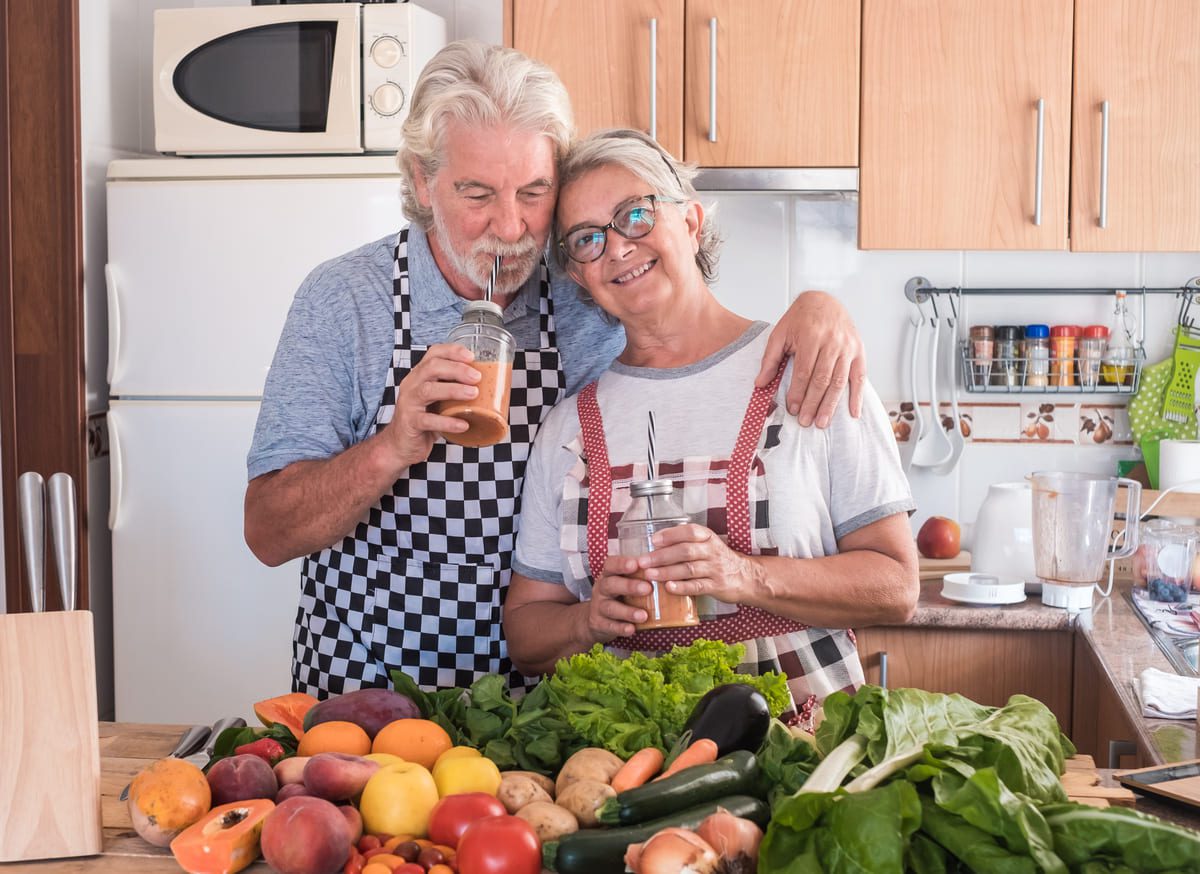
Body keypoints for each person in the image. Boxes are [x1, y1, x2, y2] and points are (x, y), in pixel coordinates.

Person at [244, 41, 868, 698]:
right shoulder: (346, 302)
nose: (512, 228)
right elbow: (268, 531)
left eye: (534, 192)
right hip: (369, 695)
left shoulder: (583, 285)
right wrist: (393, 447)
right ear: (425, 182)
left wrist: (819, 307)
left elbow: (688, 303)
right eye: (477, 193)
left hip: (546, 705)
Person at [504, 129, 919, 723]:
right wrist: (585, 620)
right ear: (578, 276)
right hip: (636, 770)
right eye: (588, 239)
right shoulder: (569, 427)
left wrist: (744, 575)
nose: (617, 248)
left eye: (635, 215)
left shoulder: (813, 370)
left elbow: (898, 587)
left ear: (692, 221)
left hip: (807, 761)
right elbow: (526, 633)